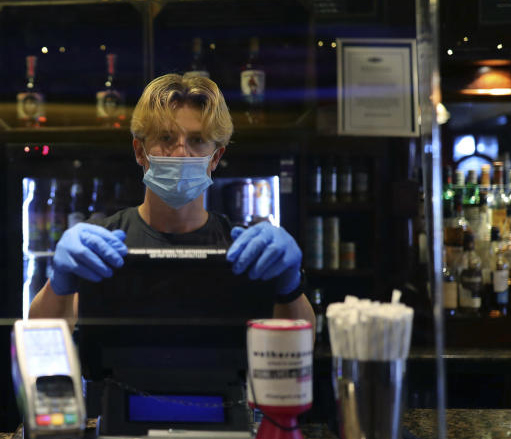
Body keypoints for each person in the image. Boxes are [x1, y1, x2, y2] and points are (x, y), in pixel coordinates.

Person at [29, 73, 315, 328]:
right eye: (166, 138)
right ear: (140, 152)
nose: (180, 153)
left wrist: (289, 286)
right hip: (117, 388)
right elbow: (43, 339)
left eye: (197, 140)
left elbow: (300, 342)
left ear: (215, 157)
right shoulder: (103, 246)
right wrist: (59, 282)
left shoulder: (243, 249)